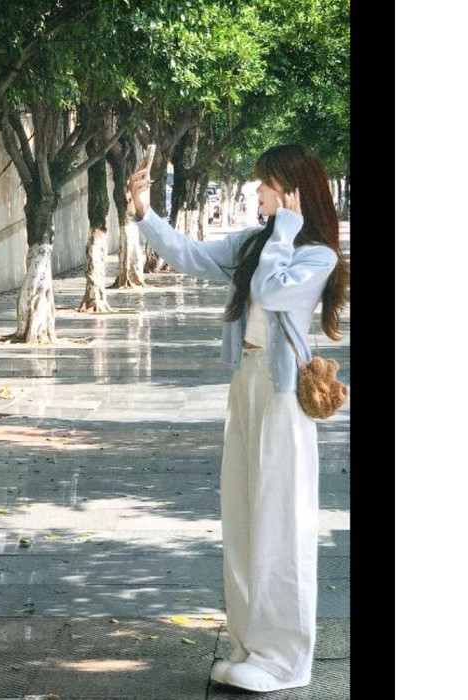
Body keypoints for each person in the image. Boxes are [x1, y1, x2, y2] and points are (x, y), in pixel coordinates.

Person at [128, 144, 349, 693]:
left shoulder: (316, 256)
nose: (258, 191)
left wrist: (284, 231)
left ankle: (285, 659)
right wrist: (144, 210)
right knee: (243, 518)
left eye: (266, 184)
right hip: (247, 383)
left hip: (283, 396)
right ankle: (250, 645)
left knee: (281, 522)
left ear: (293, 191)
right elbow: (191, 255)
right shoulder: (256, 243)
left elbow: (270, 292)